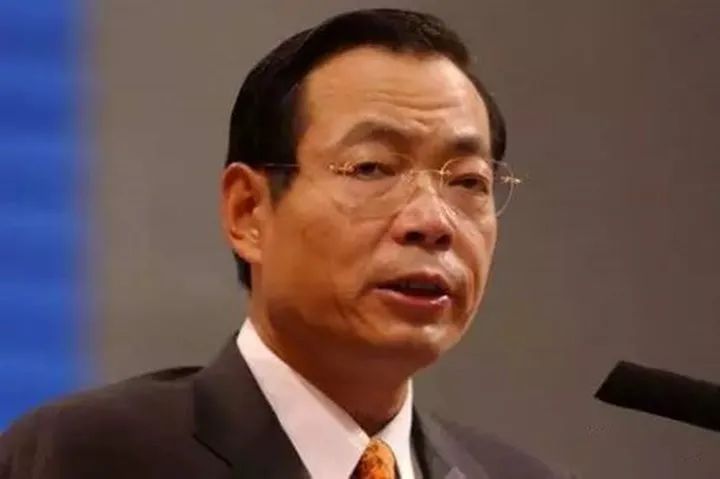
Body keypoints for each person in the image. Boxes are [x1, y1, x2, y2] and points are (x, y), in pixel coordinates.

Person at [0, 8, 572, 479]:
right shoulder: (84, 457)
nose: (432, 221)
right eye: (372, 168)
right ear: (248, 211)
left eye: (468, 181)